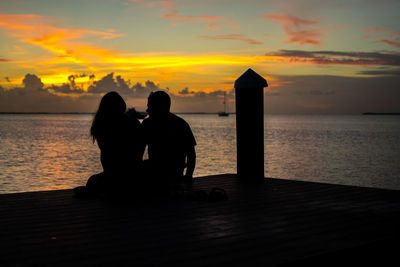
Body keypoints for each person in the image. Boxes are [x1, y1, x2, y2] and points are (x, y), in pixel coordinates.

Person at [75, 91, 143, 197]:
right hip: (133, 174)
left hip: (113, 174)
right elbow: (138, 152)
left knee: (92, 181)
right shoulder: (134, 124)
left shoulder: (101, 126)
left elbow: (107, 153)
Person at [141, 91, 196, 193]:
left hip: (164, 174)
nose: (147, 109)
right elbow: (191, 154)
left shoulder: (147, 124)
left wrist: (188, 176)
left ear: (160, 107)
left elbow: (138, 151)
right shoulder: (181, 124)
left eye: (150, 106)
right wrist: (188, 176)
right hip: (171, 174)